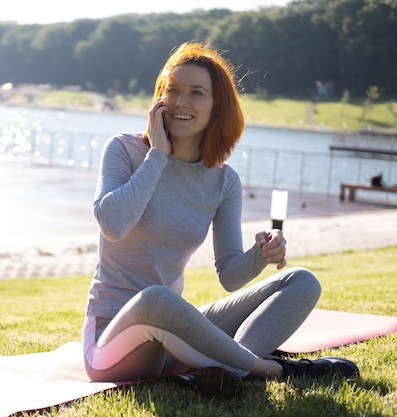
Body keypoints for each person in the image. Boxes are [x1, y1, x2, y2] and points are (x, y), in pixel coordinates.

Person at [82, 42, 358, 395]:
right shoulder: (124, 150)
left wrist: (262, 254)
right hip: (111, 345)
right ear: (159, 97)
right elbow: (112, 224)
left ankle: (225, 371)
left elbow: (229, 276)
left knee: (302, 281)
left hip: (172, 341)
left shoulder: (224, 180)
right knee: (157, 299)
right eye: (173, 90)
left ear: (217, 107)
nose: (181, 102)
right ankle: (273, 370)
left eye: (196, 93)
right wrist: (158, 155)